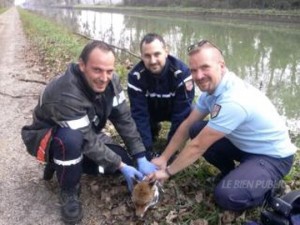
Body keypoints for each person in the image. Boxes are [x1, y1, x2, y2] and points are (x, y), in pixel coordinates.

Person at [150, 40, 296, 212]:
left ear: (221, 65)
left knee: (227, 196)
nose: (198, 76)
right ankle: (231, 173)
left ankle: (269, 188)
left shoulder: (233, 99)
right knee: (195, 128)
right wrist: (164, 158)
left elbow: (197, 146)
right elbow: (188, 122)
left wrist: (167, 172)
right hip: (246, 146)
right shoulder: (212, 88)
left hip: (273, 157)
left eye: (205, 67)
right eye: (194, 70)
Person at [21, 40, 157, 224]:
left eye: (109, 71)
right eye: (97, 70)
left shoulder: (112, 81)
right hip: (46, 138)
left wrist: (140, 155)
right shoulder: (66, 93)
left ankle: (65, 165)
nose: (104, 77)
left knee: (121, 160)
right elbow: (86, 139)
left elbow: (124, 119)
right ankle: (68, 189)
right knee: (70, 140)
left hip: (85, 131)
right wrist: (120, 166)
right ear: (82, 65)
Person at [127, 33, 195, 160]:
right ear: (141, 56)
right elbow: (139, 114)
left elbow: (181, 115)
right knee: (131, 116)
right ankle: (151, 132)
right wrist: (145, 152)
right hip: (150, 111)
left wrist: (168, 153)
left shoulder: (182, 74)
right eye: (147, 56)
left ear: (166, 52)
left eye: (157, 54)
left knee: (192, 111)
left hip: (173, 110)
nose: (152, 61)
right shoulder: (135, 76)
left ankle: (177, 147)